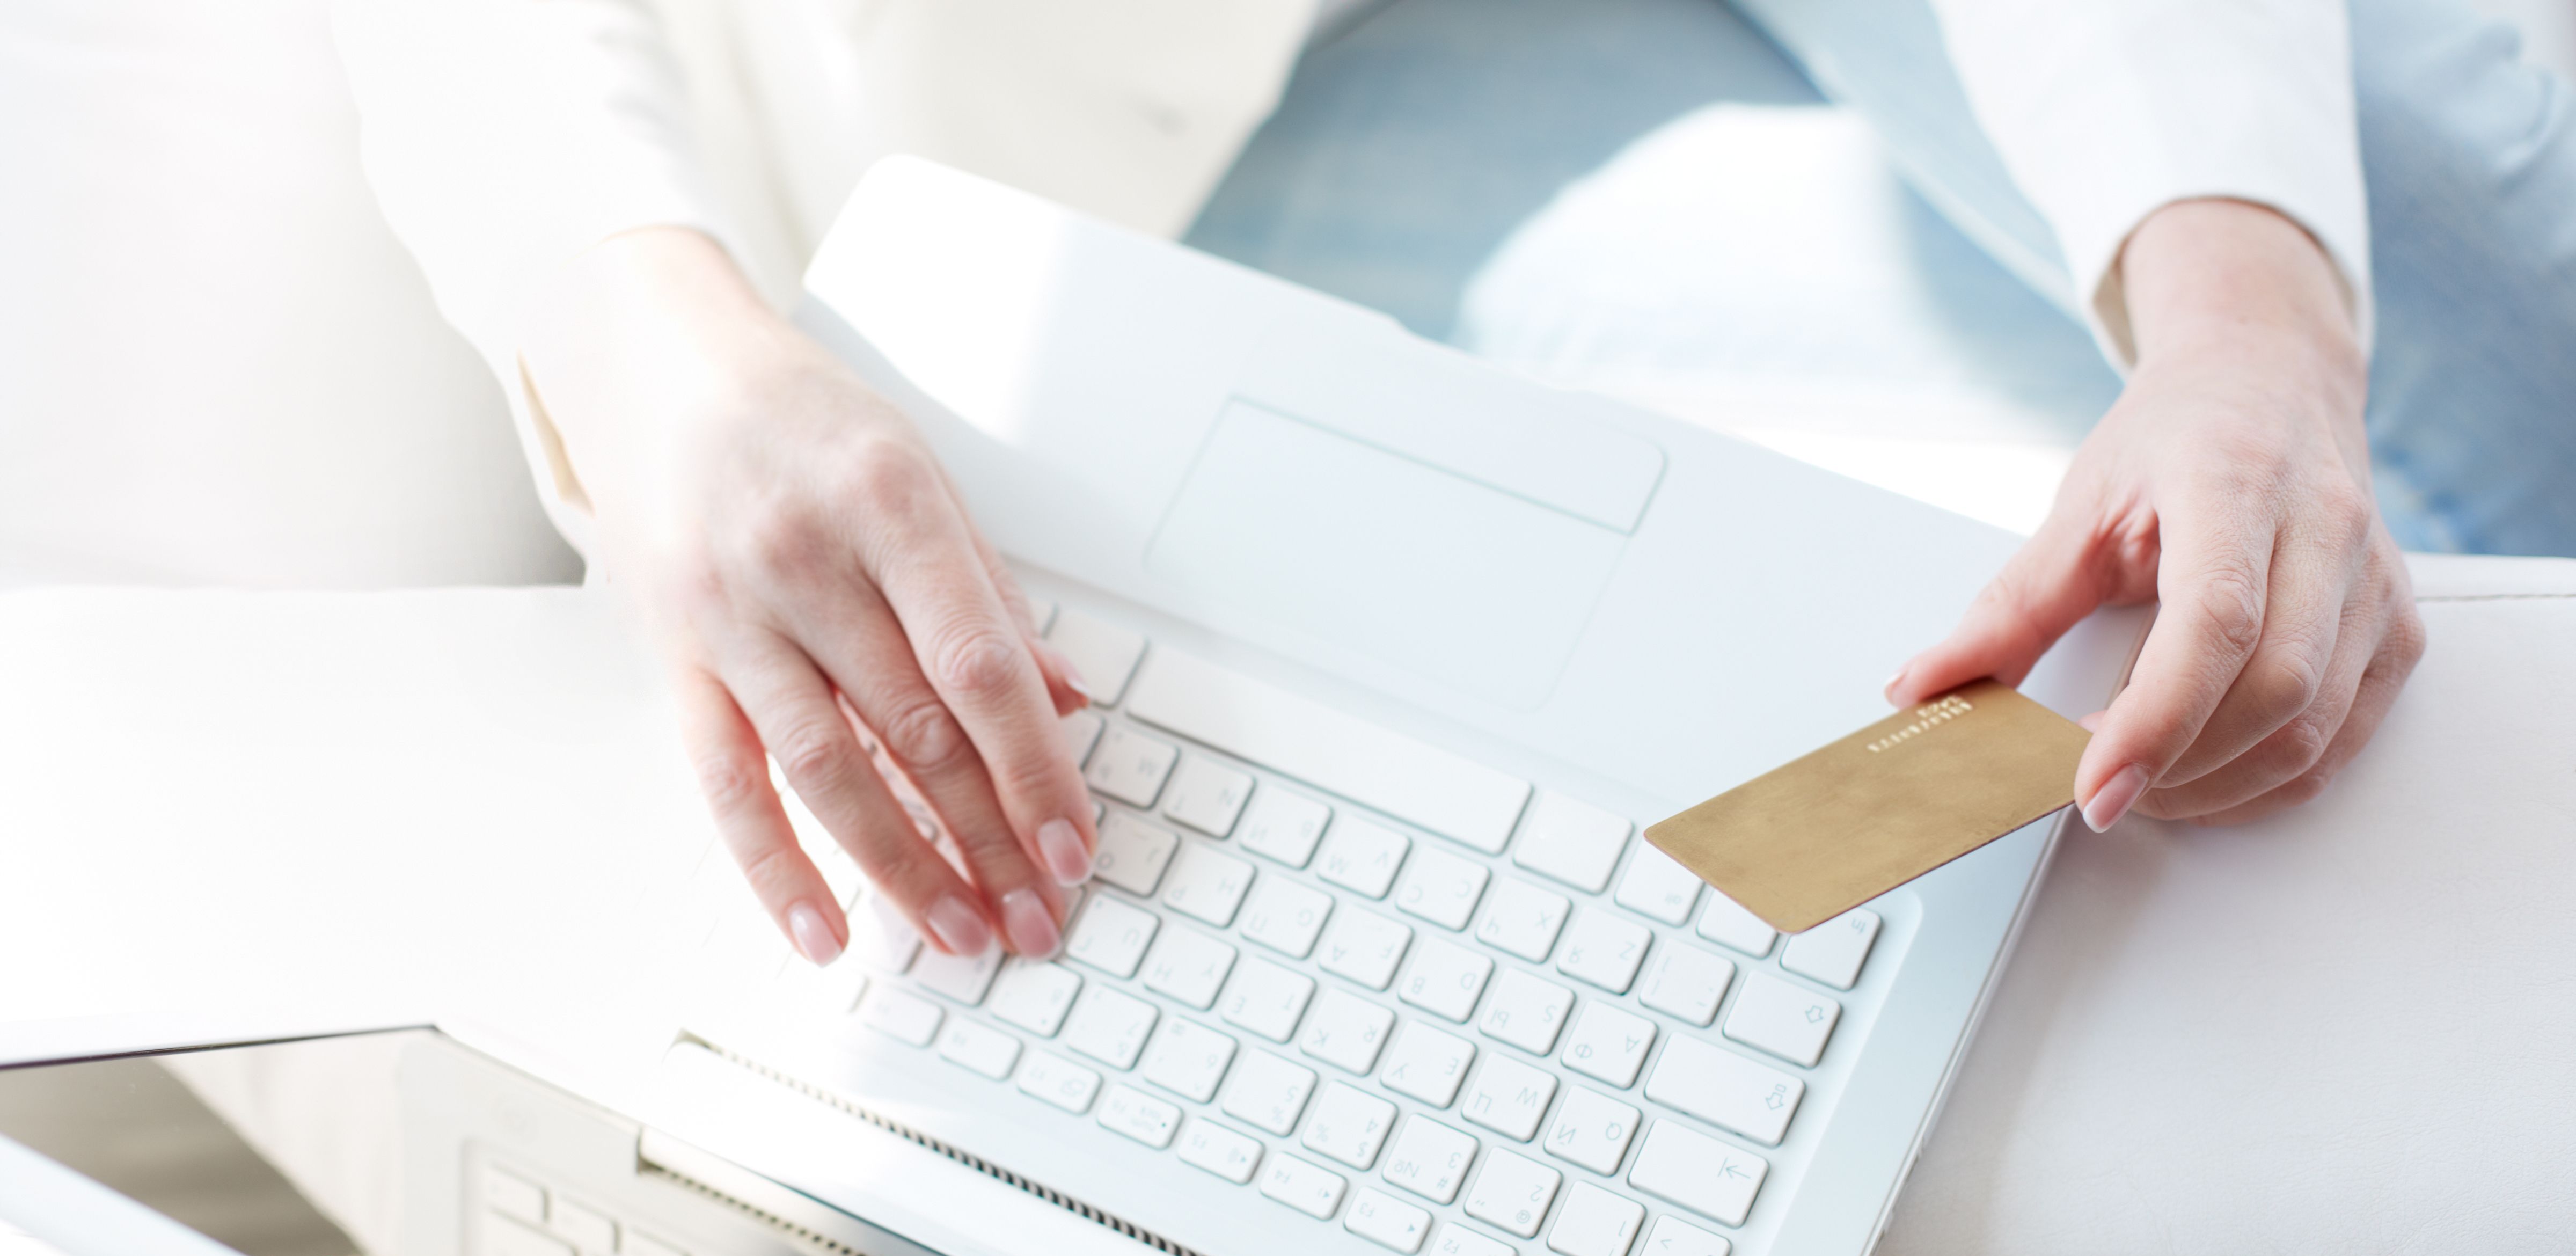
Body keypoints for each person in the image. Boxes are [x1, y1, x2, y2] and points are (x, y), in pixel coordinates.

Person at [331, 0, 2558, 969]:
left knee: (2487, 344)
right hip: (1190, 106)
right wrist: (648, 333)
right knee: (2354, 543)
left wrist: (2249, 324)